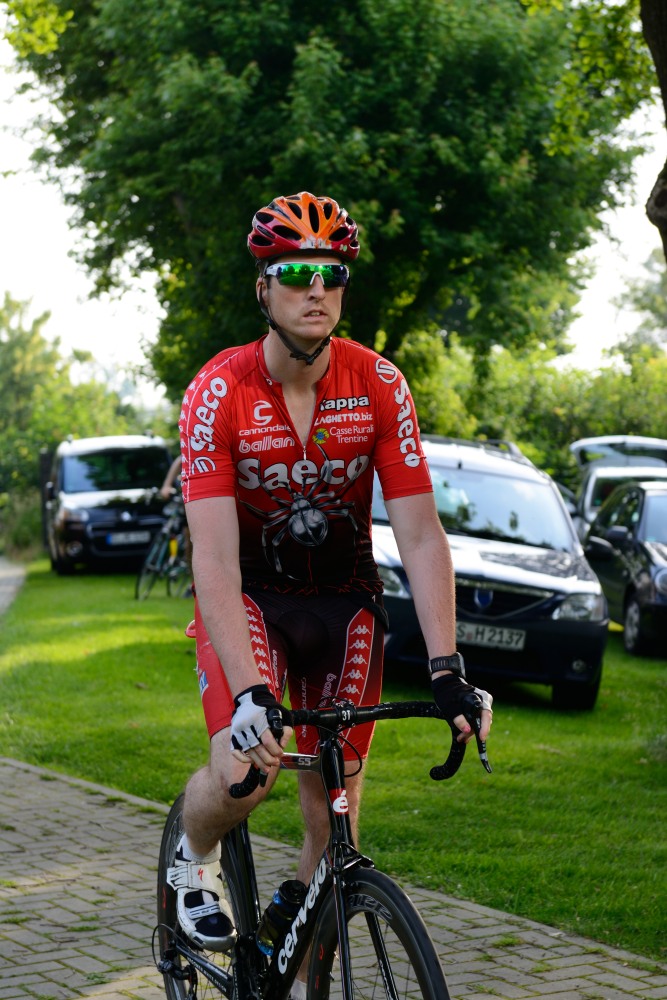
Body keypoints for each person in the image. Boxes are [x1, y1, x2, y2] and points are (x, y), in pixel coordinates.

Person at [168, 191, 493, 998]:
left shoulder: (378, 383)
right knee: (246, 773)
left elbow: (420, 536)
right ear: (263, 289)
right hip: (250, 598)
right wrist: (251, 690)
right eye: (296, 273)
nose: (316, 289)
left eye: (332, 274)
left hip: (345, 604)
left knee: (334, 811)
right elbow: (214, 560)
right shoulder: (218, 392)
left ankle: (298, 941)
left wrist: (447, 666)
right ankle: (191, 859)